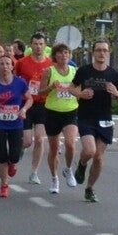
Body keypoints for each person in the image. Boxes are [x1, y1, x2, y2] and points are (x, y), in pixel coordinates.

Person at [70, 39, 118, 203]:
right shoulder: (84, 71)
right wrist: (80, 94)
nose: (102, 53)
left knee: (99, 157)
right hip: (86, 117)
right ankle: (82, 163)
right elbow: (71, 88)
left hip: (105, 118)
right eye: (99, 50)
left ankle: (90, 188)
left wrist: (116, 93)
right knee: (89, 151)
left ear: (108, 53)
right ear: (93, 53)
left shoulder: (113, 74)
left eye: (105, 50)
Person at [37, 42, 80, 194]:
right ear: (55, 55)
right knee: (54, 149)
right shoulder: (49, 71)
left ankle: (68, 169)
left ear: (70, 55)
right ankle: (54, 178)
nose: (63, 55)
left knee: (70, 144)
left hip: (71, 111)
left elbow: (79, 90)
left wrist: (80, 94)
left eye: (66, 52)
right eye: (60, 53)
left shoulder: (75, 71)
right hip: (52, 112)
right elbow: (40, 92)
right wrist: (51, 87)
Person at [0, 52, 31, 198]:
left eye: (8, 64)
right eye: (2, 64)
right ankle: (4, 185)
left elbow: (29, 98)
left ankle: (13, 162)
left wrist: (24, 109)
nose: (5, 66)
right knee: (1, 156)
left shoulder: (20, 83)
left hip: (16, 124)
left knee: (14, 155)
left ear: (12, 67)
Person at [13, 33, 53, 185]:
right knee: (27, 141)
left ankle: (34, 172)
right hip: (26, 103)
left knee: (40, 139)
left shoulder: (50, 64)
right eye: (35, 44)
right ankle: (20, 149)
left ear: (45, 45)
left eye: (41, 44)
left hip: (43, 104)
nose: (38, 47)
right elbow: (14, 80)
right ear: (31, 45)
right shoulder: (22, 63)